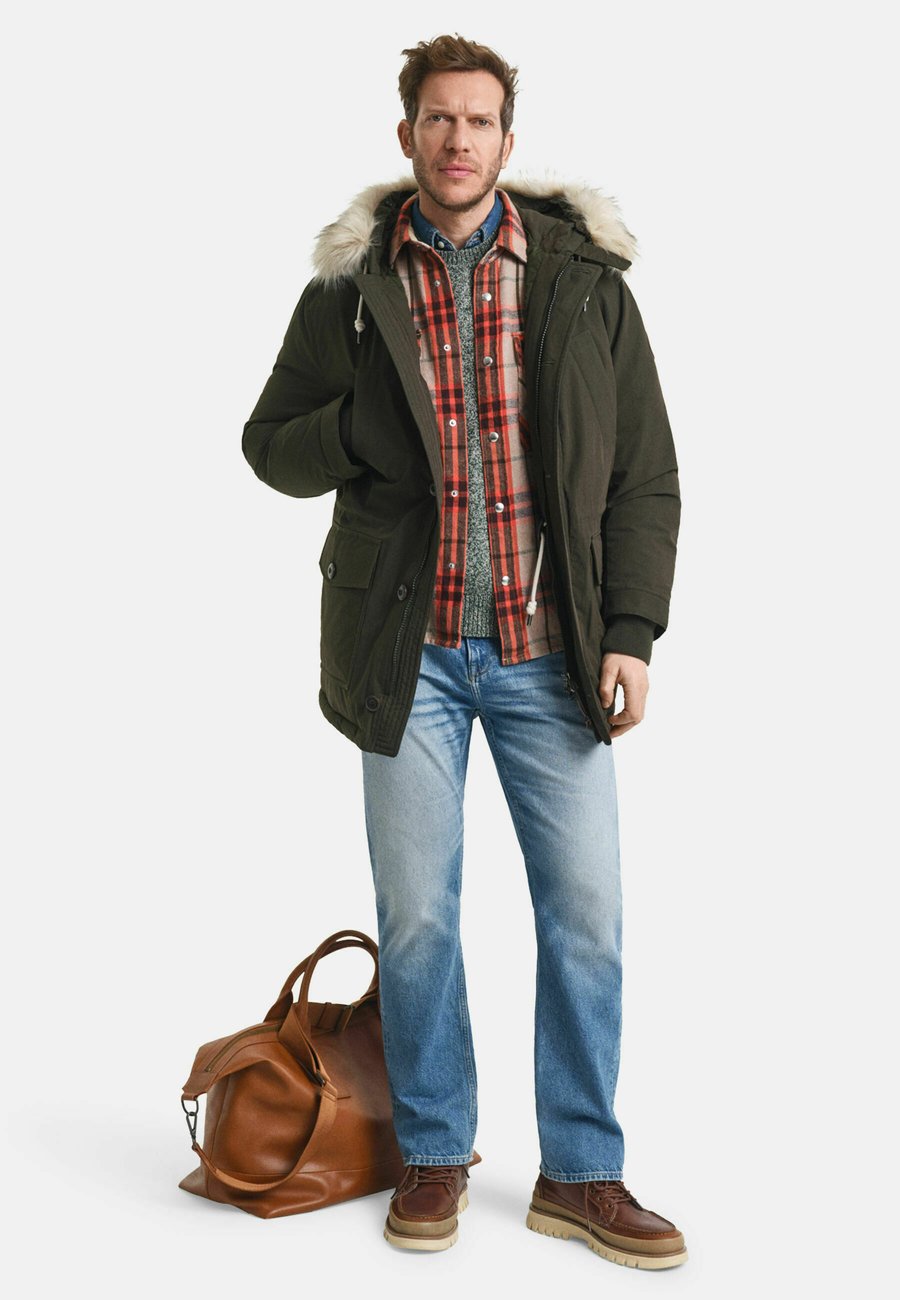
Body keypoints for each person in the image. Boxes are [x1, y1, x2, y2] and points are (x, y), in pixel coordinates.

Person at [241, 33, 685, 1269]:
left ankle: (582, 1173)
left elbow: (645, 476)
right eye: (438, 119)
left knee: (586, 916)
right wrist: (363, 425)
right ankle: (435, 1150)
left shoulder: (584, 283)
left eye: (478, 120)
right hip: (411, 657)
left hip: (554, 654)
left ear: (506, 140)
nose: (457, 139)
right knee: (420, 920)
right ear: (408, 136)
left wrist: (631, 634)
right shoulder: (350, 290)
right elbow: (270, 446)